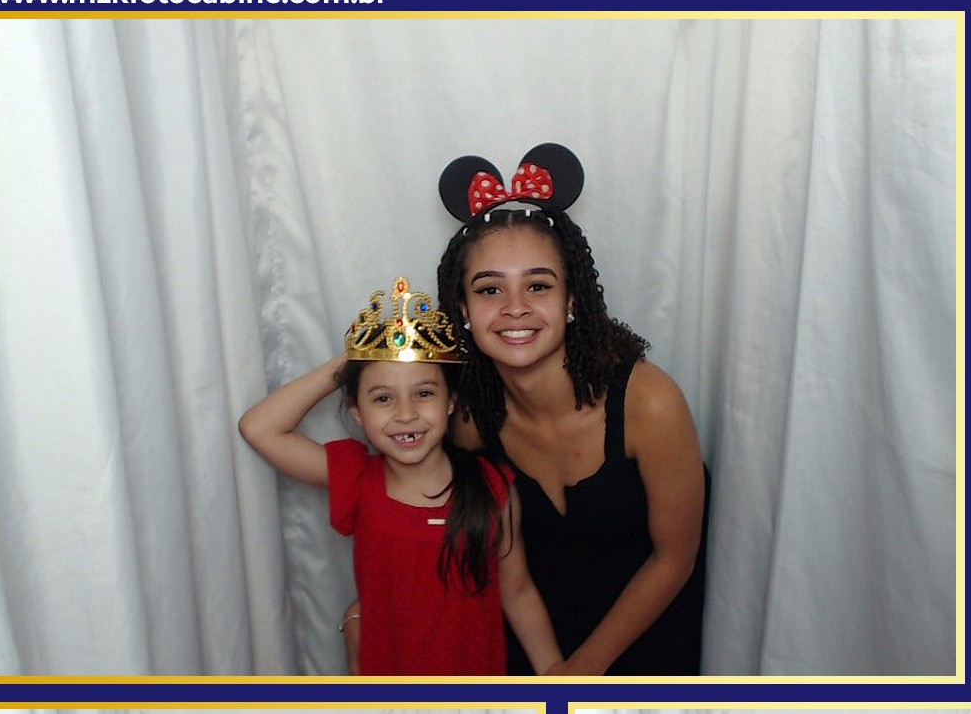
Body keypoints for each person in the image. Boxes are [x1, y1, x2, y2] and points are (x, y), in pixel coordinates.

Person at [434, 144, 708, 675]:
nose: (515, 307)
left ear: (572, 300)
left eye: (538, 285)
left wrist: (579, 674)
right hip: (536, 655)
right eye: (490, 289)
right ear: (463, 309)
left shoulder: (650, 403)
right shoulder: (469, 420)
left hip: (645, 653)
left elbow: (674, 559)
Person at [238, 275, 562, 676]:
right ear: (358, 413)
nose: (405, 414)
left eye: (424, 393)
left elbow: (518, 592)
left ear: (450, 402)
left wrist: (556, 676)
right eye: (382, 398)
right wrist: (349, 363)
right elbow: (259, 428)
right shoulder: (357, 478)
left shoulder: (492, 485)